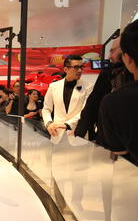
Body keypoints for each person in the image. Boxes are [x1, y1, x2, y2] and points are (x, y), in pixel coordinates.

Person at [75, 35, 134, 140]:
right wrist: (79, 133)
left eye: (112, 51)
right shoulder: (108, 73)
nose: (109, 56)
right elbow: (93, 103)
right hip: (106, 139)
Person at [97, 20, 138, 166]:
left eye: (113, 50)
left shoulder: (115, 102)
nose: (110, 56)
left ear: (127, 58)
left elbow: (121, 153)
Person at [42, 55, 93, 143]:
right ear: (66, 69)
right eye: (76, 67)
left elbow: (85, 111)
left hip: (78, 135)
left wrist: (67, 124)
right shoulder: (53, 86)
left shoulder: (88, 86)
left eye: (81, 67)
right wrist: (49, 123)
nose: (80, 70)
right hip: (57, 134)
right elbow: (46, 109)